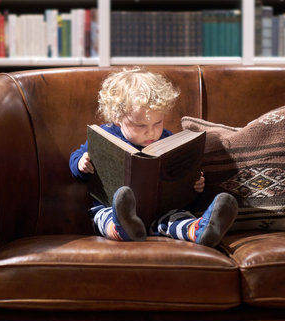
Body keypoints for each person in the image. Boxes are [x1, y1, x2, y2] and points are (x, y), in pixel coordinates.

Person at [69, 68, 238, 248]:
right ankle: (122, 228)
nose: (151, 131)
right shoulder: (104, 137)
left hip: (160, 212)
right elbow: (76, 159)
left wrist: (194, 185)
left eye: (158, 123)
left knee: (176, 217)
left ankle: (199, 230)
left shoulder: (166, 140)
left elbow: (179, 176)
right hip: (111, 208)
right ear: (117, 118)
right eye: (140, 125)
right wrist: (81, 163)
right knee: (102, 216)